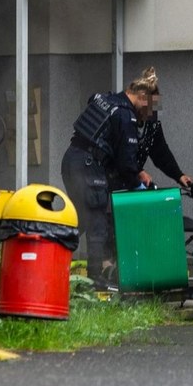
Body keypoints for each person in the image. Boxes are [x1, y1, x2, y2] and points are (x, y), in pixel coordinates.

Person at [61, 68, 158, 285]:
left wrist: (134, 171)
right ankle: (96, 280)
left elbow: (104, 140)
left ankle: (55, 261)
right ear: (142, 97)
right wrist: (136, 181)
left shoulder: (105, 99)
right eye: (148, 106)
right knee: (96, 219)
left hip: (72, 160)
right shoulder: (125, 115)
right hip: (87, 165)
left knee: (80, 218)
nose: (147, 113)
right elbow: (126, 161)